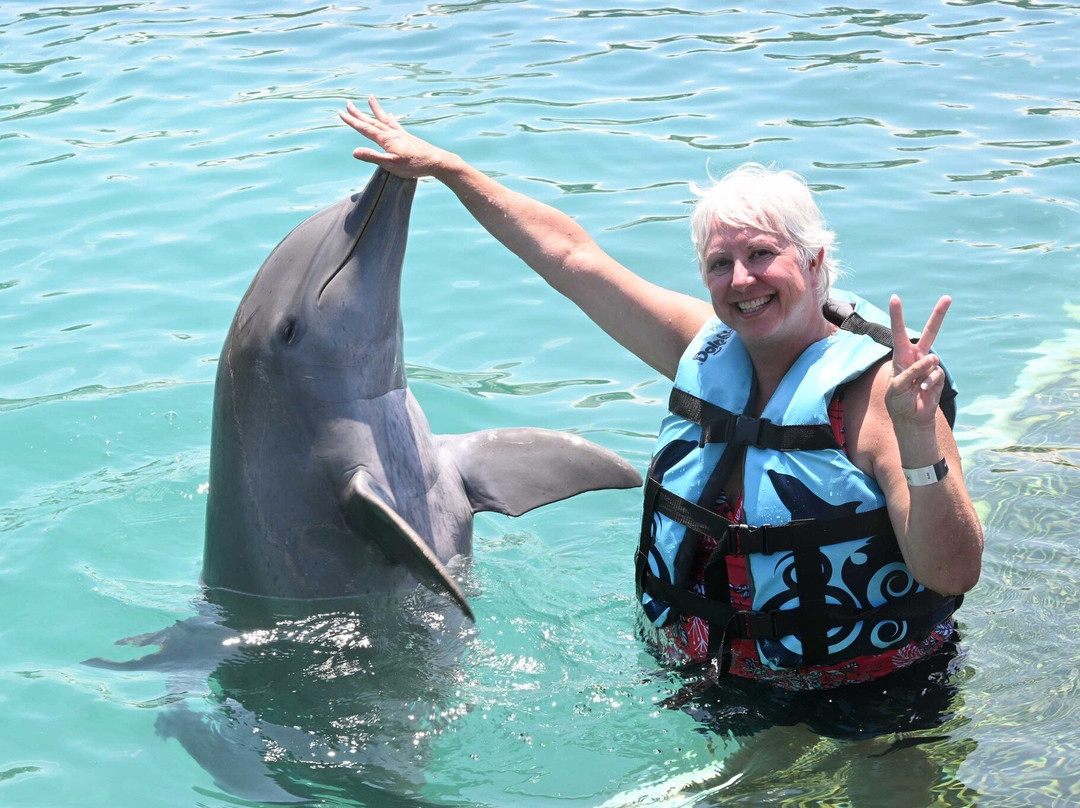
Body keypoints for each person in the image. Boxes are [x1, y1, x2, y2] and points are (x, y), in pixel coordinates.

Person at [339, 97, 984, 692]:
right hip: (711, 684)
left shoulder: (885, 397)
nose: (742, 280)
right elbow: (572, 257)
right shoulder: (705, 348)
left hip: (869, 699)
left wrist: (918, 438)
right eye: (720, 264)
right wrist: (451, 170)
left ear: (815, 261)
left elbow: (953, 572)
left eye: (762, 254)